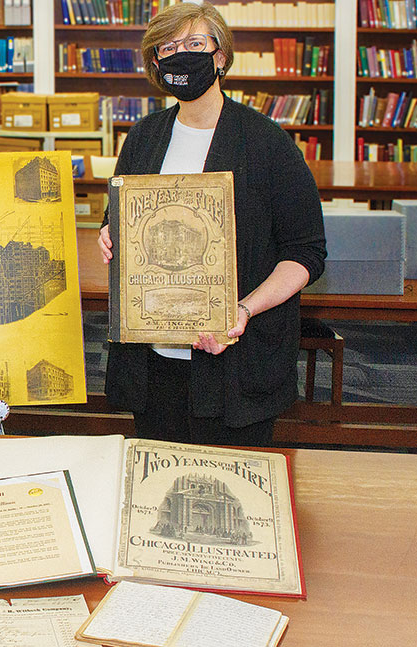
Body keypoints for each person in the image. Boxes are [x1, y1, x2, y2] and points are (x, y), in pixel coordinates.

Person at [97, 2, 326, 447]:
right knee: (157, 495)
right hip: (154, 363)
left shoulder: (267, 143)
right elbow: (117, 218)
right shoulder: (143, 137)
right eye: (169, 47)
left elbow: (305, 253)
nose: (182, 54)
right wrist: (110, 233)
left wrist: (242, 310)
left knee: (232, 500)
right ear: (156, 63)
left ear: (219, 56)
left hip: (234, 371)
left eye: (195, 44)